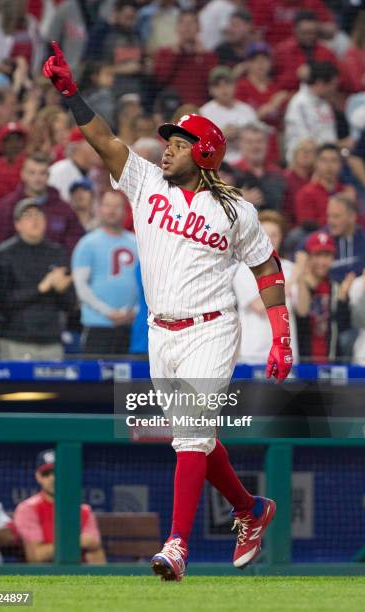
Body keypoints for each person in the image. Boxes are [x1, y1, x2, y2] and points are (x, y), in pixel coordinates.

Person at [44, 41, 293, 580]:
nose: (168, 150)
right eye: (169, 142)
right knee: (196, 436)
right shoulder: (145, 182)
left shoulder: (235, 209)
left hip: (212, 327)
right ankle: (252, 508)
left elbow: (267, 271)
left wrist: (280, 336)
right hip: (161, 332)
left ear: (205, 153)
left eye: (180, 144)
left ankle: (178, 545)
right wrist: (72, 95)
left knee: (189, 436)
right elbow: (106, 142)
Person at [0, 198, 75, 360]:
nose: (35, 220)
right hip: (15, 339)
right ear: (17, 224)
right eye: (28, 215)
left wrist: (63, 290)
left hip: (51, 339)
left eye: (39, 215)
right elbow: (1, 303)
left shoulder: (57, 252)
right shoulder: (5, 253)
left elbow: (70, 305)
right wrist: (40, 288)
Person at [72, 190, 138, 354]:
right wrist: (108, 312)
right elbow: (81, 287)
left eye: (117, 206)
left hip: (131, 325)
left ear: (125, 211)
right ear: (99, 209)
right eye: (107, 205)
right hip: (97, 325)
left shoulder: (138, 243)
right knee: (94, 378)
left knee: (128, 378)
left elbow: (147, 284)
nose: (112, 210)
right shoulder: (87, 243)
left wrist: (135, 311)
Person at [14, 449, 105, 564]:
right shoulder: (28, 509)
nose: (53, 478)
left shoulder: (83, 510)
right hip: (43, 576)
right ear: (38, 477)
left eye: (59, 472)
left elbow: (93, 543)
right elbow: (36, 556)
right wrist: (76, 542)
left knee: (95, 552)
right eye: (46, 474)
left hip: (78, 575)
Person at [233, 210, 299, 364]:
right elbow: (260, 307)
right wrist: (293, 279)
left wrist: (300, 275)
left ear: (282, 237)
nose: (270, 239)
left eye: (275, 234)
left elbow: (302, 308)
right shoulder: (243, 269)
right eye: (265, 234)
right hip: (254, 354)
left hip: (287, 353)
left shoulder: (290, 268)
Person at [0, 153, 84, 254]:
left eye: (42, 173)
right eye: (32, 173)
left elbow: (75, 244)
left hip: (55, 266)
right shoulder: (7, 206)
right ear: (23, 174)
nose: (37, 178)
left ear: (48, 176)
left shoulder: (64, 209)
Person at [294, 230, 353, 362]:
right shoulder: (300, 284)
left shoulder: (336, 288)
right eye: (317, 255)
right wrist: (303, 279)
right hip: (304, 361)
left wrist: (343, 299)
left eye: (326, 255)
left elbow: (343, 326)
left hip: (331, 360)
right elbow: (302, 313)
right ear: (309, 257)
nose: (321, 261)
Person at [153, 10, 217, 107]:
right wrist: (175, 54)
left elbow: (212, 84)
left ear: (199, 28)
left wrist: (201, 57)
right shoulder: (164, 53)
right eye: (183, 23)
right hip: (172, 108)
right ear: (177, 28)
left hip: (201, 109)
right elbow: (160, 80)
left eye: (191, 23)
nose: (187, 27)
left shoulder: (209, 56)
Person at [200, 66, 257, 165]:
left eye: (227, 83)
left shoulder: (247, 111)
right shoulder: (204, 113)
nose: (223, 89)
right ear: (210, 90)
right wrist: (221, 137)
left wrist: (242, 135)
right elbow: (199, 147)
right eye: (217, 85)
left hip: (246, 165)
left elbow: (258, 139)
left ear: (235, 86)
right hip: (217, 165)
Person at [284, 62, 339, 163]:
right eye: (332, 85)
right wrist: (339, 145)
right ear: (320, 83)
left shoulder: (325, 104)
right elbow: (305, 141)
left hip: (325, 159)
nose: (334, 89)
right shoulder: (299, 103)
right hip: (301, 160)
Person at [272, 11, 338, 92]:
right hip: (289, 97)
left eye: (312, 33)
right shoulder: (282, 51)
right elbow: (273, 82)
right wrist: (296, 75)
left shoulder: (327, 53)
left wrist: (314, 74)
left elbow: (337, 79)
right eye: (304, 33)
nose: (309, 36)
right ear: (295, 30)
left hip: (321, 98)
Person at [295, 143, 355, 229]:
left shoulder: (347, 192)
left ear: (340, 164)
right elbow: (307, 225)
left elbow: (358, 222)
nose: (329, 165)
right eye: (324, 160)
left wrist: (351, 204)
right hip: (318, 238)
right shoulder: (306, 193)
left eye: (334, 160)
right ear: (316, 163)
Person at [0, 122, 27, 225]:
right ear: (2, 144)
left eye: (18, 139)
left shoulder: (30, 166)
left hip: (26, 217)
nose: (14, 144)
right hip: (1, 219)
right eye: (9, 140)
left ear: (24, 143)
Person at [234, 123, 287, 211]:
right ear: (240, 145)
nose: (255, 146)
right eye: (249, 142)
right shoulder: (230, 172)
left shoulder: (279, 174)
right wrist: (238, 200)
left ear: (267, 144)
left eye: (259, 141)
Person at [48, 127, 100, 202]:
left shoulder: (95, 174)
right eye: (92, 143)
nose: (98, 148)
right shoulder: (58, 171)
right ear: (77, 145)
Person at [326, 194, 365, 282]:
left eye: (336, 216)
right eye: (329, 216)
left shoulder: (363, 241)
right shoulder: (321, 241)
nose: (330, 221)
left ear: (352, 217)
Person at [283, 139, 317, 226]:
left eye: (310, 151)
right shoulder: (284, 177)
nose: (305, 153)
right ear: (295, 154)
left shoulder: (318, 179)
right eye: (302, 150)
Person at [214, 9, 255, 75]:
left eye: (235, 25)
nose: (230, 29)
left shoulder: (258, 51)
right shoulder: (221, 52)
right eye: (230, 25)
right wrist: (235, 74)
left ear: (248, 27)